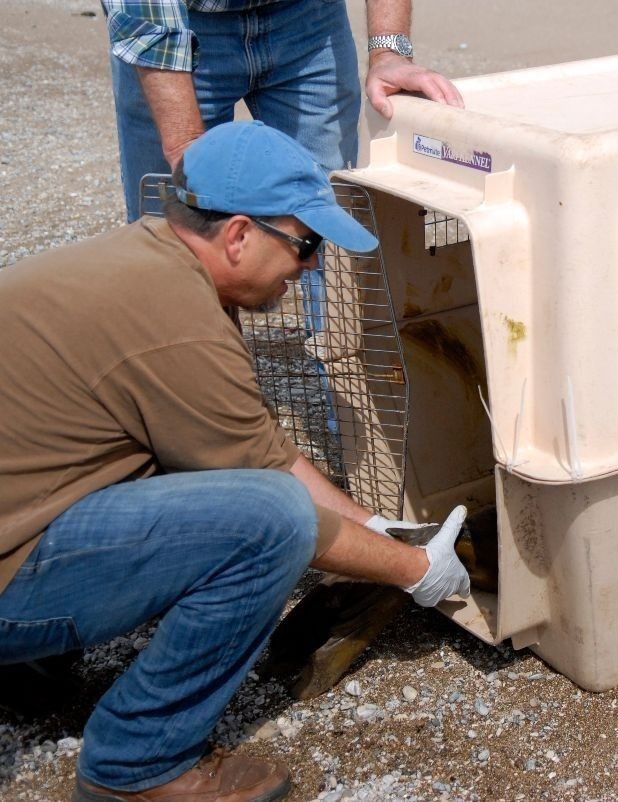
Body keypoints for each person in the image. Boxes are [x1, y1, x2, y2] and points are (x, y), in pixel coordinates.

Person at [0, 121, 471, 802]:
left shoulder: (146, 265)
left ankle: (30, 664)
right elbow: (273, 500)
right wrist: (416, 572)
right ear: (240, 233)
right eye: (306, 245)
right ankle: (139, 765)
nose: (312, 266)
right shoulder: (175, 325)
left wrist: (376, 527)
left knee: (217, 485)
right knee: (270, 521)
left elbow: (261, 451)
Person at [102, 0, 464, 220]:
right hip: (181, 21)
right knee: (176, 224)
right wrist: (184, 144)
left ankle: (332, 345)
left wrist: (388, 51)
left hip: (308, 19)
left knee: (327, 209)